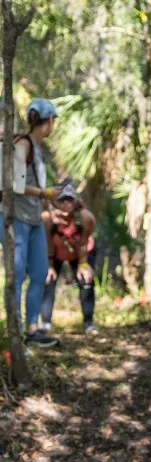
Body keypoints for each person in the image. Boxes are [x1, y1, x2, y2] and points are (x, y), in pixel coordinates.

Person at [0, 98, 63, 348]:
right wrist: (45, 193)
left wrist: (50, 205)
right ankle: (14, 332)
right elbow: (14, 184)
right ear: (49, 121)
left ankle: (33, 330)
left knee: (39, 273)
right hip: (15, 218)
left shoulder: (36, 148)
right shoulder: (22, 144)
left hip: (34, 218)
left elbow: (34, 183)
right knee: (16, 274)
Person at [40, 183, 98, 333]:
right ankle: (45, 323)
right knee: (47, 280)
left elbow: (85, 241)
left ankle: (89, 322)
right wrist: (50, 265)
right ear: (55, 202)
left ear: (75, 201)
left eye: (70, 200)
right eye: (62, 200)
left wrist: (83, 264)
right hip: (56, 252)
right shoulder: (48, 218)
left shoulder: (84, 217)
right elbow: (48, 241)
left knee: (86, 281)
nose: (66, 204)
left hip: (81, 253)